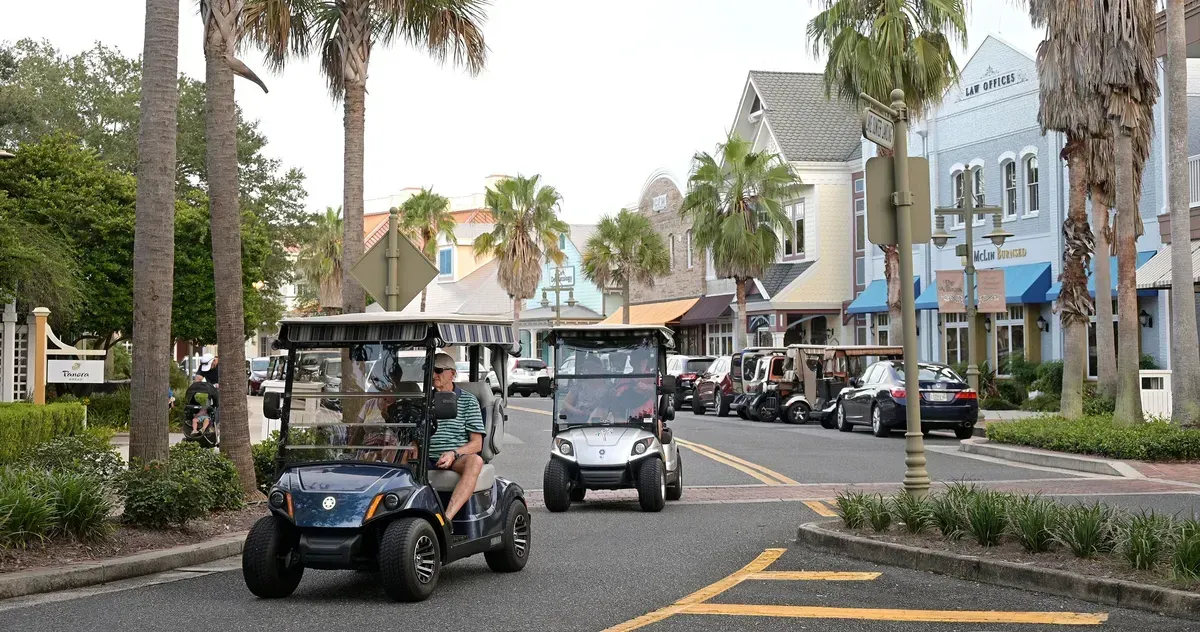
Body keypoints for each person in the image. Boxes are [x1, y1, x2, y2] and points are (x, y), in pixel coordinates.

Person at [428, 353, 486, 523]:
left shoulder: (468, 400)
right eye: (431, 370)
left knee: (475, 461)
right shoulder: (424, 401)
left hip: (455, 458)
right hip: (424, 456)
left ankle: (446, 519)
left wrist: (453, 453)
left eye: (438, 370)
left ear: (452, 373)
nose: (433, 375)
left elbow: (477, 443)